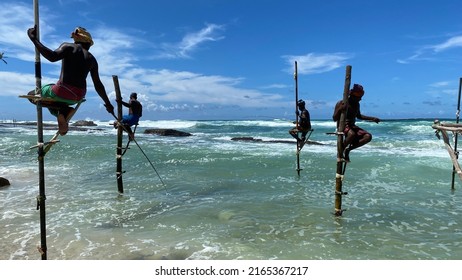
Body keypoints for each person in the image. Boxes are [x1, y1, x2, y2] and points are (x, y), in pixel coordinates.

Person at [27, 26, 114, 135]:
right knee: (54, 95)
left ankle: (62, 111)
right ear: (87, 43)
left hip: (62, 91)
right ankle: (63, 111)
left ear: (76, 39)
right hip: (78, 97)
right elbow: (98, 85)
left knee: (32, 95)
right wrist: (108, 103)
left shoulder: (68, 47)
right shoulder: (92, 59)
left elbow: (52, 57)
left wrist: (33, 39)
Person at [332, 84, 380, 162]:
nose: (360, 99)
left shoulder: (357, 104)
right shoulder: (341, 103)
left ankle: (348, 149)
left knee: (368, 136)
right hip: (343, 125)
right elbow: (334, 118)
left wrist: (373, 118)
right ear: (352, 96)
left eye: (361, 97)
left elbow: (359, 116)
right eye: (358, 97)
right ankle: (340, 152)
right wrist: (340, 109)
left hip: (352, 125)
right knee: (352, 134)